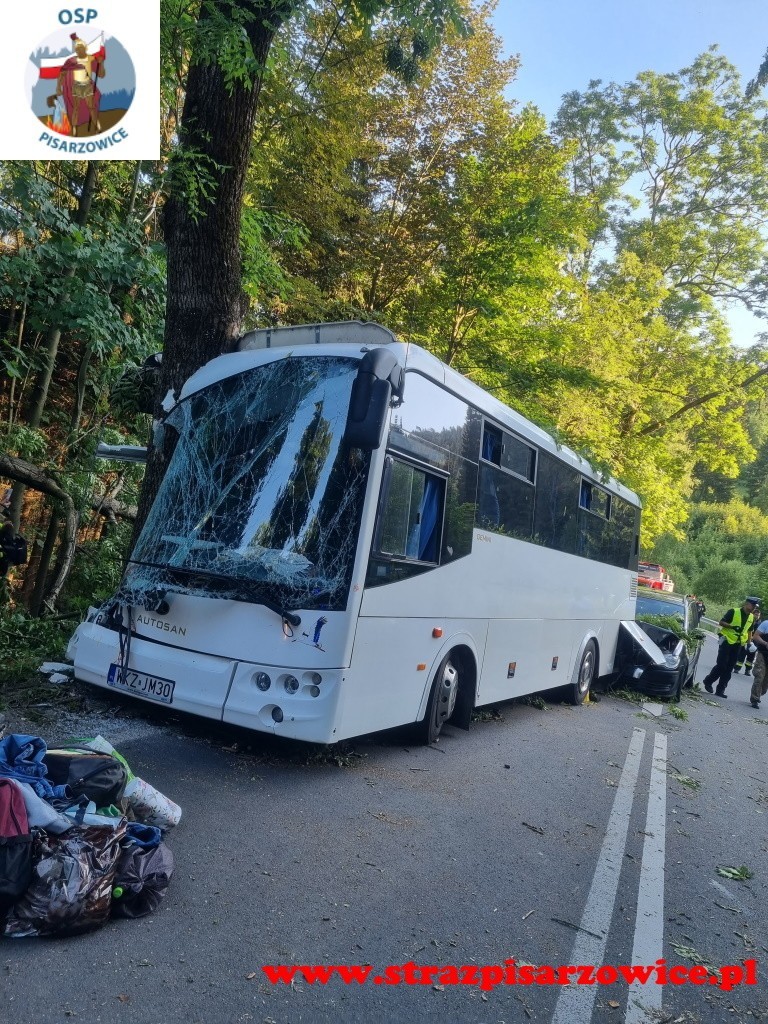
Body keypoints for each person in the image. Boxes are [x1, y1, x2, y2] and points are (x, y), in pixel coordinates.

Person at [701, 597, 760, 697]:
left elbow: (750, 630)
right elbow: (721, 622)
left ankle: (720, 690)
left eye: (755, 606)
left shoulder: (751, 617)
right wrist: (732, 626)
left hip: (738, 644)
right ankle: (708, 681)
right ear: (747, 604)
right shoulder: (733, 611)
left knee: (729, 668)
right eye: (753, 605)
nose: (754, 607)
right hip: (727, 641)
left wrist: (749, 642)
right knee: (721, 665)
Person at [56, 33, 105, 137]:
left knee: (91, 107)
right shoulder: (71, 61)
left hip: (87, 86)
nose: (79, 50)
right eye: (77, 49)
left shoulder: (92, 59)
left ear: (85, 48)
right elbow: (62, 74)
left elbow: (101, 75)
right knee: (76, 108)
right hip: (76, 86)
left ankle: (98, 126)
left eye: (81, 48)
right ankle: (74, 129)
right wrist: (58, 87)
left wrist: (101, 63)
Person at [734, 607, 761, 675]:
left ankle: (747, 670)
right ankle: (737, 668)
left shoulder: (760, 624)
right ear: (753, 614)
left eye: (758, 615)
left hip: (754, 643)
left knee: (751, 657)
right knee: (742, 655)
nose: (757, 616)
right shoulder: (749, 620)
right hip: (746, 640)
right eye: (756, 614)